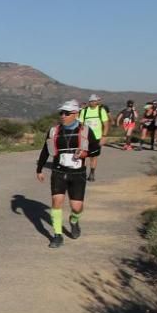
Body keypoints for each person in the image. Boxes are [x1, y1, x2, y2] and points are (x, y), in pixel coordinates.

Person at [35, 100, 100, 248]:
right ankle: (57, 235)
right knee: (57, 202)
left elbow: (96, 150)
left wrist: (85, 153)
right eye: (61, 113)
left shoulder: (85, 131)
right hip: (58, 171)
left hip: (78, 174)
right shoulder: (54, 131)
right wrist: (39, 169)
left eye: (67, 113)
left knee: (76, 207)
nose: (63, 116)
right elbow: (45, 150)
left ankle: (74, 220)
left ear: (76, 114)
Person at [79, 94, 109, 181]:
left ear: (97, 102)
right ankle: (82, 173)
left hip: (97, 137)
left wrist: (104, 136)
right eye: (91, 101)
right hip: (85, 138)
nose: (92, 103)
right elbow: (81, 124)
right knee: (83, 156)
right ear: (89, 102)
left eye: (94, 101)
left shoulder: (101, 110)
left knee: (94, 156)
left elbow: (106, 124)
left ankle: (92, 173)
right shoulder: (84, 111)